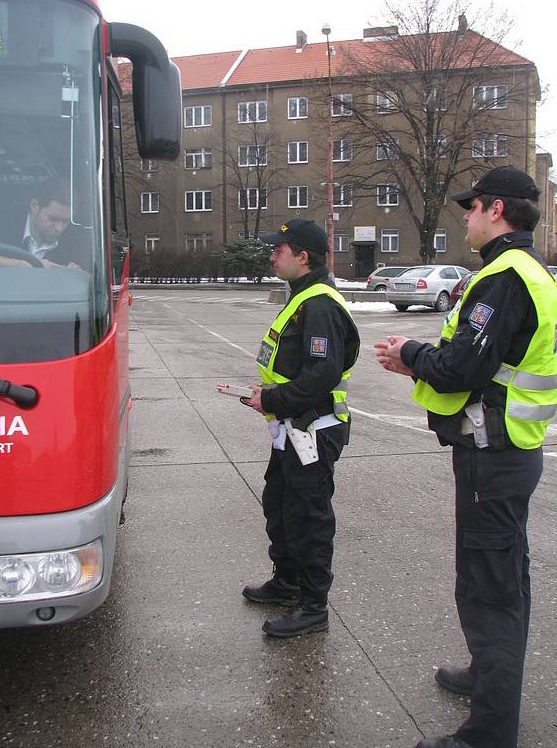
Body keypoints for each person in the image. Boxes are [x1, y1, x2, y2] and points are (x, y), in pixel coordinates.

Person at [374, 166, 557, 748]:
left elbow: (461, 368)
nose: (467, 216)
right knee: (506, 575)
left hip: (492, 454)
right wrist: (426, 357)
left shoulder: (502, 279)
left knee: (489, 588)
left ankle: (489, 731)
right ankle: (489, 676)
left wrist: (410, 352)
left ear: (496, 209)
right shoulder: (531, 273)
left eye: (472, 207)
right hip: (508, 453)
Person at [241, 219, 360, 638]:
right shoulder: (303, 298)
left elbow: (321, 375)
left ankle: (313, 607)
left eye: (280, 250)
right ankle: (287, 580)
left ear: (303, 257)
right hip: (291, 429)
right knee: (280, 504)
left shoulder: (321, 305)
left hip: (313, 430)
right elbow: (297, 368)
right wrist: (268, 393)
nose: (273, 256)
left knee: (308, 518)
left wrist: (270, 400)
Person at [0, 178, 87, 269]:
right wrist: (17, 264)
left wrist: (76, 274)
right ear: (34, 206)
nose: (59, 228)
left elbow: (96, 277)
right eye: (53, 219)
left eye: (65, 221)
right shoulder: (1, 224)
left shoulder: (77, 239)